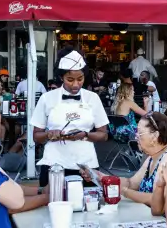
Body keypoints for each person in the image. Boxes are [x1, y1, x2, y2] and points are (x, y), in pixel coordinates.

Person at [31, 50, 109, 187]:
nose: (75, 85)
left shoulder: (93, 98)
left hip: (86, 165)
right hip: (53, 164)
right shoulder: (47, 98)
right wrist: (50, 134)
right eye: (70, 80)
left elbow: (103, 135)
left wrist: (85, 135)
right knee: (52, 202)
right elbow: (36, 136)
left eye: (80, 79)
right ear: (61, 77)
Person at [87, 112, 167, 208]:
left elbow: (156, 199)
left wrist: (125, 191)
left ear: (154, 136)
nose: (136, 136)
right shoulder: (153, 157)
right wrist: (102, 177)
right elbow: (132, 183)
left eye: (139, 132)